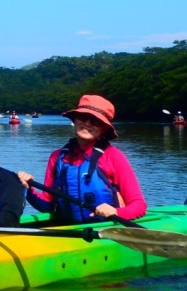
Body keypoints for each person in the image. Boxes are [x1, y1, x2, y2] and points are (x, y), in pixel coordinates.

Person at [17, 94, 146, 223]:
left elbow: (139, 206)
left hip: (105, 229)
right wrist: (28, 188)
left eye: (96, 121)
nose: (87, 124)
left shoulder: (113, 156)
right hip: (71, 229)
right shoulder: (56, 157)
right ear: (75, 120)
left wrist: (116, 212)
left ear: (104, 128)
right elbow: (47, 205)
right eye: (83, 117)